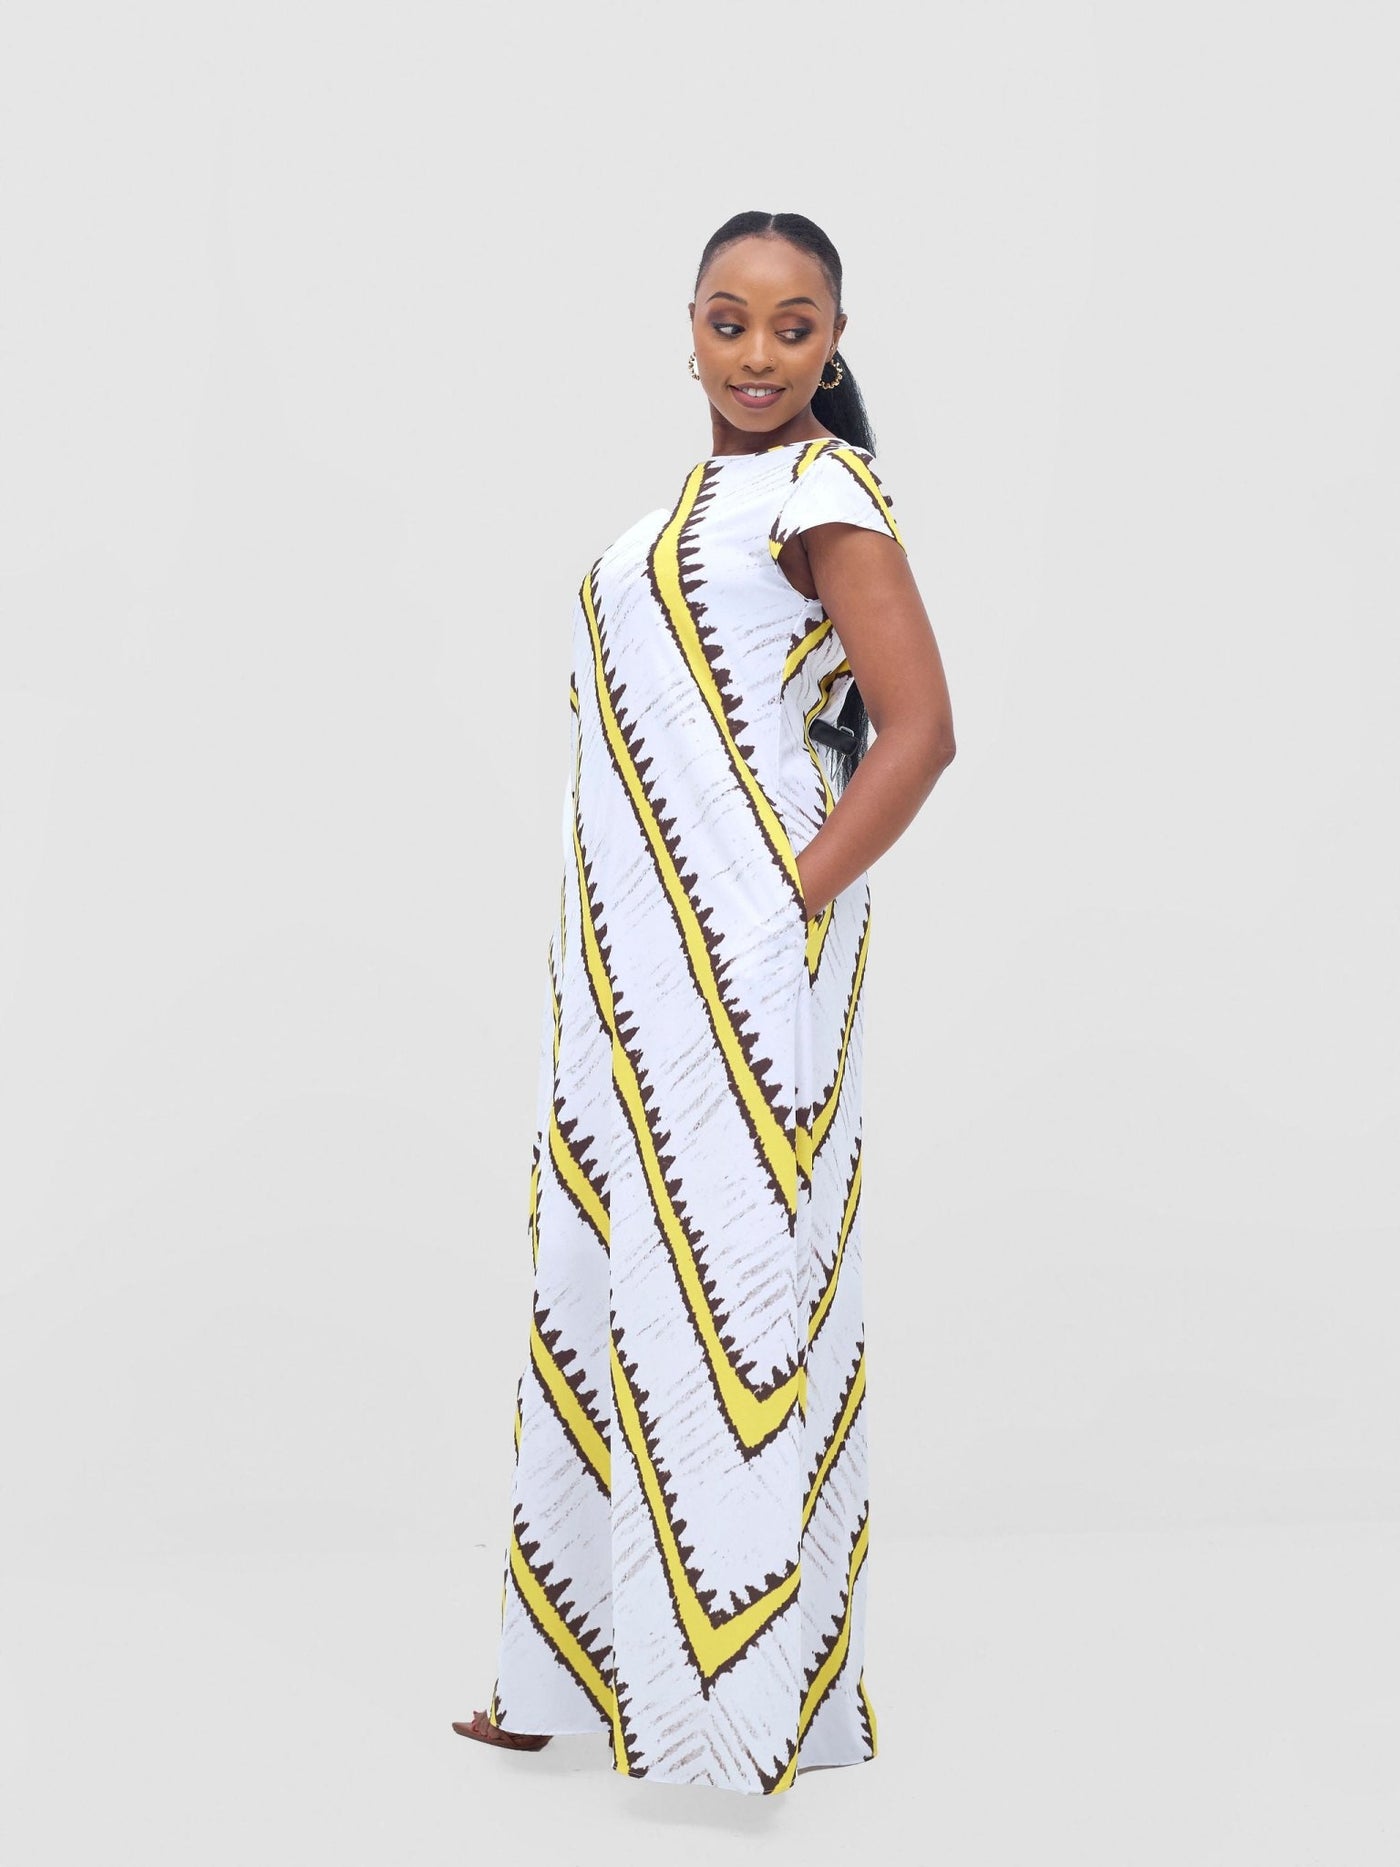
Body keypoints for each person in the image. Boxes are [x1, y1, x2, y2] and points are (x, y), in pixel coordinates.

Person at [452, 209, 956, 1794]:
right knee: (597, 1278)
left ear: (834, 341)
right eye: (729, 321)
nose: (758, 354)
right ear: (687, 332)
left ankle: (727, 1719)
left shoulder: (823, 494)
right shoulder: (682, 508)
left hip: (736, 967)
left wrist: (782, 898)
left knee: (719, 1299)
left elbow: (921, 732)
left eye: (794, 326)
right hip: (622, 970)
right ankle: (561, 1673)